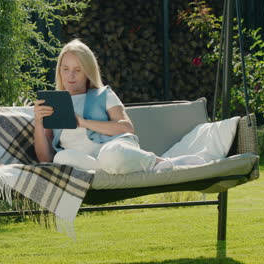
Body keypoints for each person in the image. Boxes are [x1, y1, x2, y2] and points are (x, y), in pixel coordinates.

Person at [33, 39, 204, 174]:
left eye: (77, 70)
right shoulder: (52, 103)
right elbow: (45, 159)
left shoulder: (103, 94)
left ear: (88, 71)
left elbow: (127, 128)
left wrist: (84, 123)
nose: (70, 76)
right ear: (59, 70)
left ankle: (163, 163)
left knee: (111, 155)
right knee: (61, 158)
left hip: (114, 149)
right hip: (85, 163)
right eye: (65, 69)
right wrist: (39, 123)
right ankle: (108, 170)